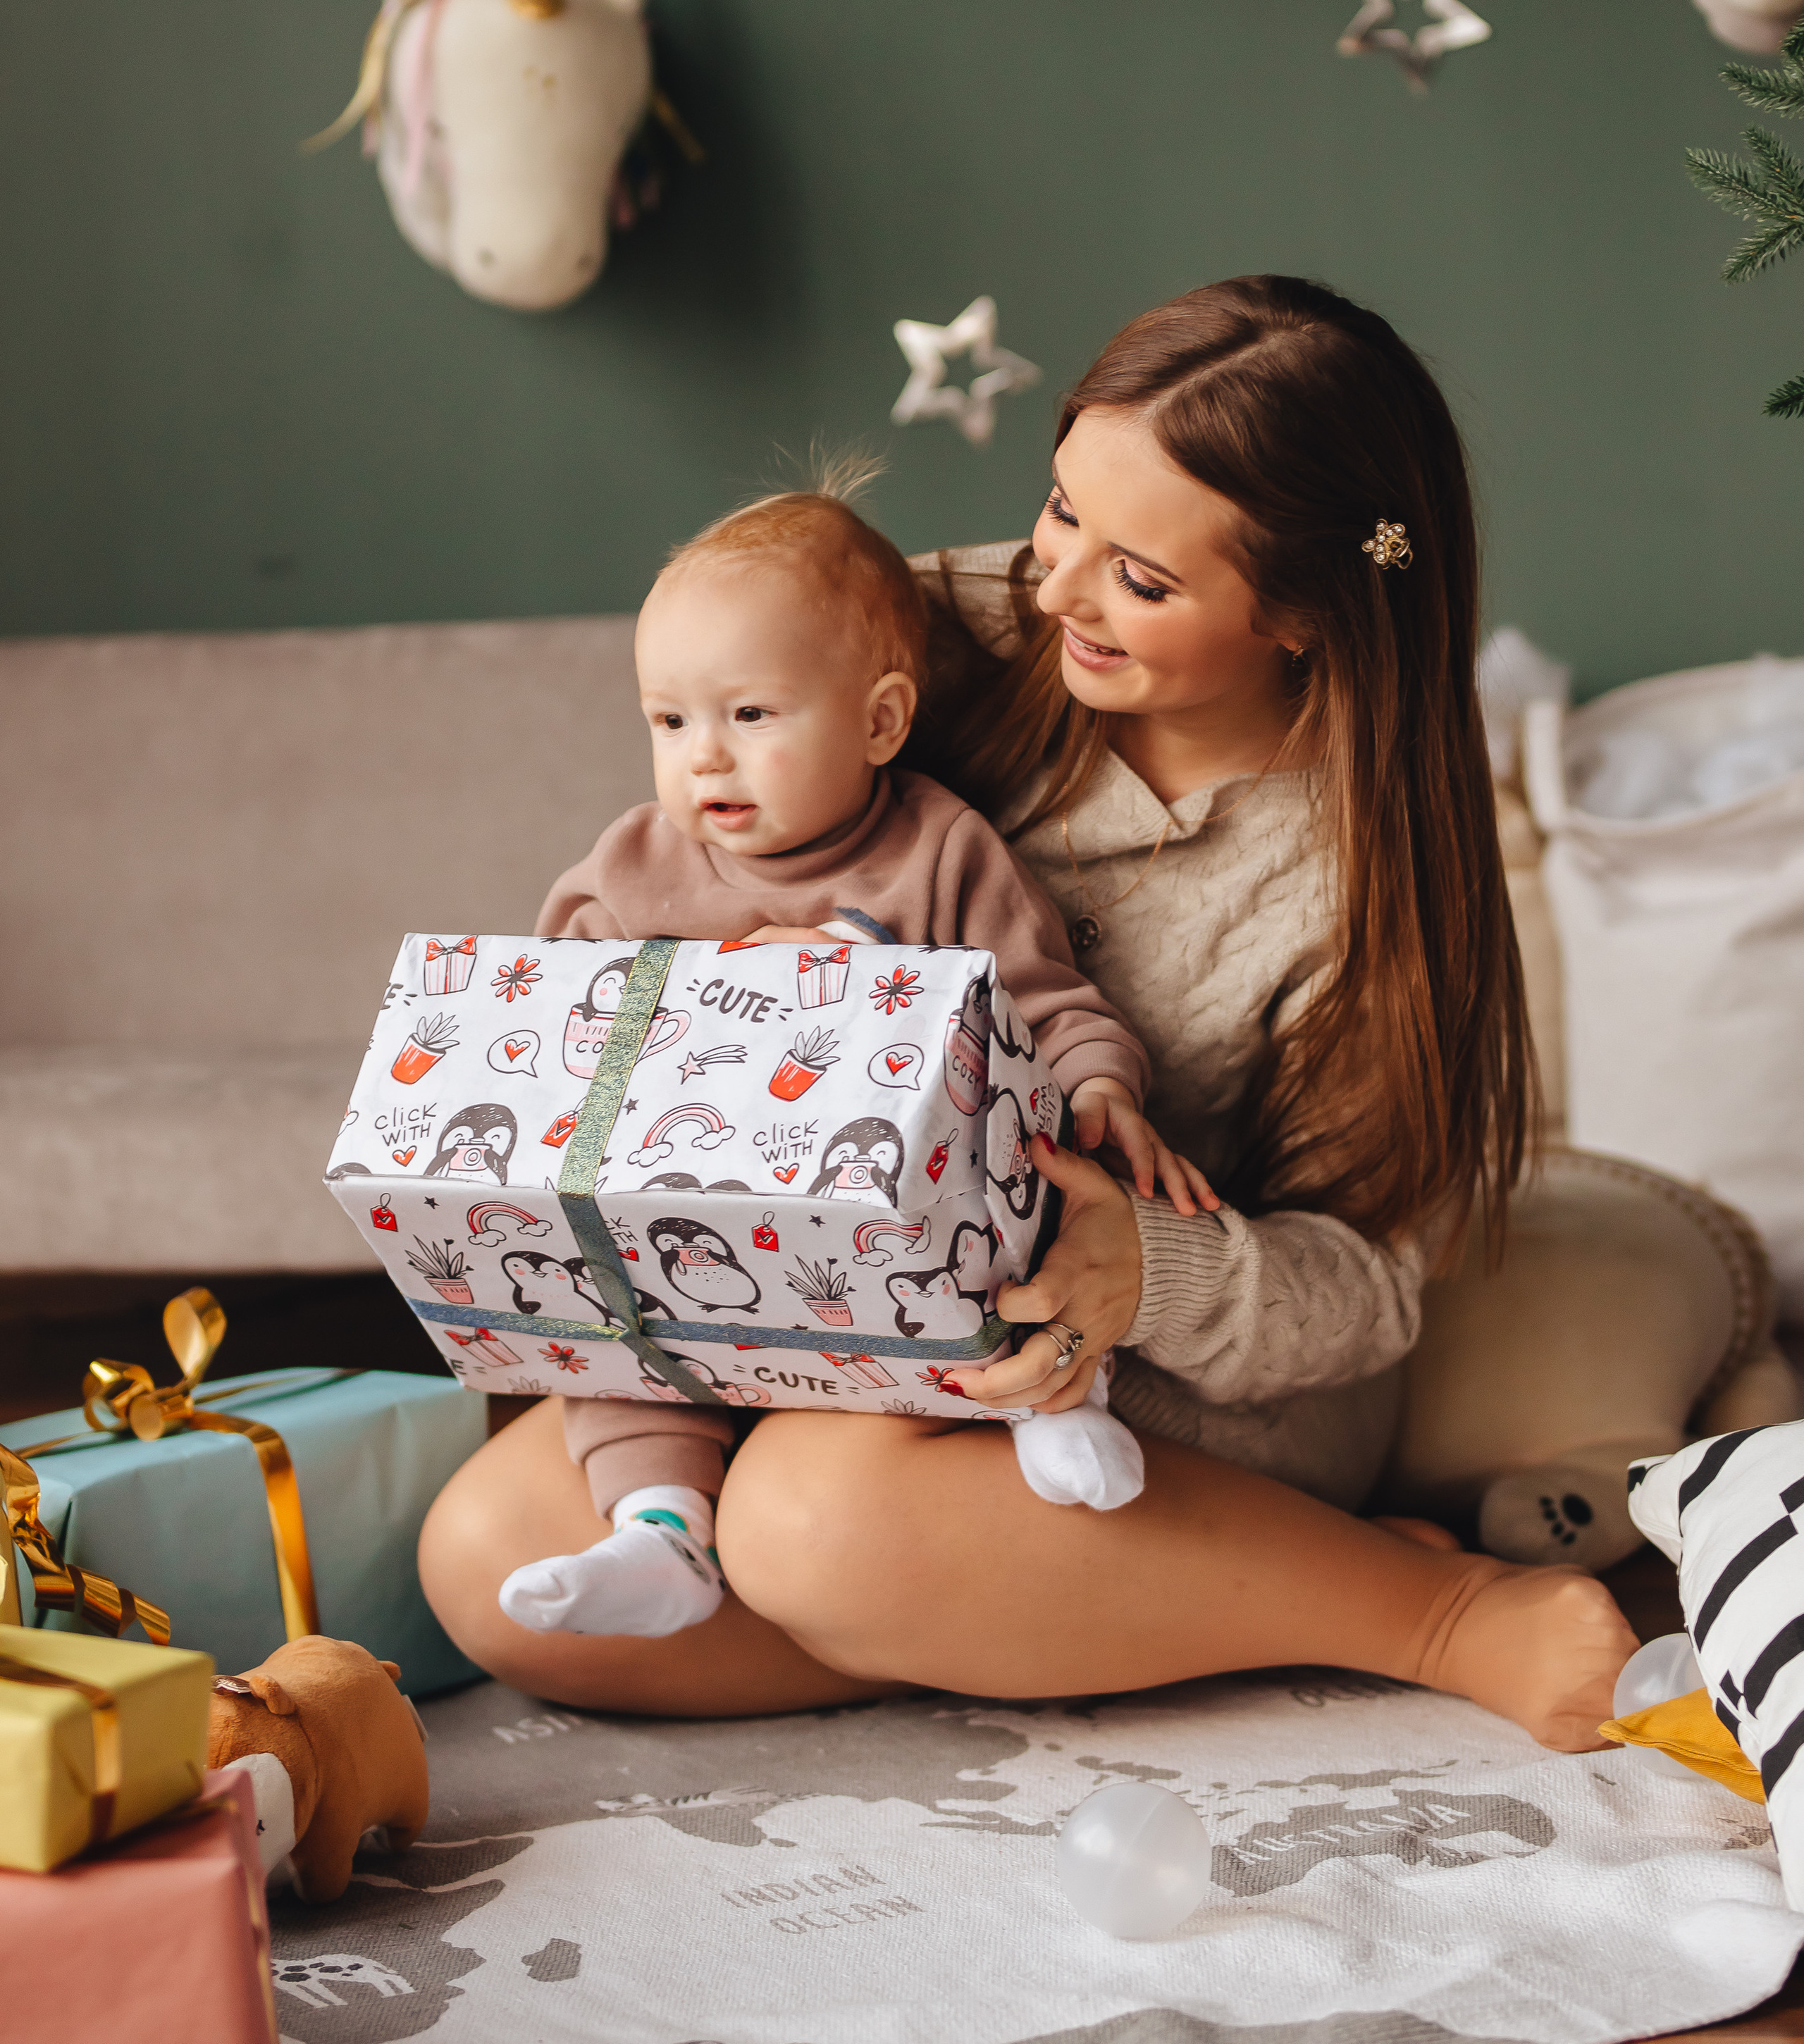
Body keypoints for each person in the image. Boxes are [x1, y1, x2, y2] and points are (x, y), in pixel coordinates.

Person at [419, 277, 1637, 1748]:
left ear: (1300, 613)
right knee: (486, 1561)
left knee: (815, 1518)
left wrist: (1148, 1274)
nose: (1052, 586)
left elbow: (1366, 1295)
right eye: (1060, 509)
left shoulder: (1362, 877)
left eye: (1138, 576)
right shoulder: (949, 634)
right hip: (839, 1313)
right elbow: (704, 799)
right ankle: (1028, 1609)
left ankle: (1428, 1611)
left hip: (1165, 1376)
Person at [489, 475, 1210, 1646]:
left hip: (902, 1223)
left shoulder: (935, 852)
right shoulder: (630, 866)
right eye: (669, 723)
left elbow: (1048, 998)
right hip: (701, 1214)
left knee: (1027, 1229)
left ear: (880, 721)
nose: (704, 762)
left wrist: (1100, 1087)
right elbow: (550, 1035)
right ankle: (661, 1531)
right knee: (612, 1344)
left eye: (751, 717)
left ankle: (1056, 1411)